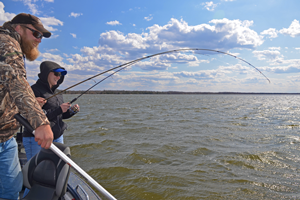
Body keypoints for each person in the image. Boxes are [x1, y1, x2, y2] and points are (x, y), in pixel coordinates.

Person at [0, 13, 54, 199]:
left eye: (41, 36)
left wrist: (26, 104)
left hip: (5, 137)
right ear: (18, 28)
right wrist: (40, 122)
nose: (39, 40)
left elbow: (7, 87)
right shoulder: (6, 42)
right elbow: (15, 79)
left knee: (12, 189)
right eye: (36, 34)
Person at [23, 61, 80, 159]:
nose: (59, 77)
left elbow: (60, 115)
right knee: (35, 169)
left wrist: (71, 111)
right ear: (46, 73)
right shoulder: (33, 90)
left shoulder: (58, 93)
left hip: (57, 137)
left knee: (57, 166)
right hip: (37, 138)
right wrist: (59, 110)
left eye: (60, 75)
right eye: (56, 74)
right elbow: (31, 118)